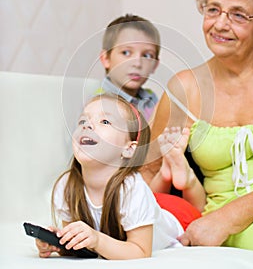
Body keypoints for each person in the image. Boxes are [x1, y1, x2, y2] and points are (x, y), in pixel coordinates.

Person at [144, 0, 253, 257]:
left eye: (238, 14)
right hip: (210, 229)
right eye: (213, 9)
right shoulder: (184, 88)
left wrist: (229, 218)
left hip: (230, 223)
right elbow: (143, 173)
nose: (220, 24)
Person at [35, 93, 201, 260]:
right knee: (148, 198)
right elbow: (80, 245)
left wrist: (98, 240)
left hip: (178, 214)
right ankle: (165, 174)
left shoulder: (132, 189)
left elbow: (141, 251)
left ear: (128, 149)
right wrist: (60, 243)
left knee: (196, 214)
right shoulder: (66, 186)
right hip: (148, 204)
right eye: (82, 121)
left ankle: (183, 176)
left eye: (105, 121)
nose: (87, 126)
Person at [96, 14, 161, 121]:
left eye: (147, 55)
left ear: (155, 65)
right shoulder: (98, 103)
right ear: (106, 59)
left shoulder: (151, 99)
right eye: (126, 52)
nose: (137, 63)